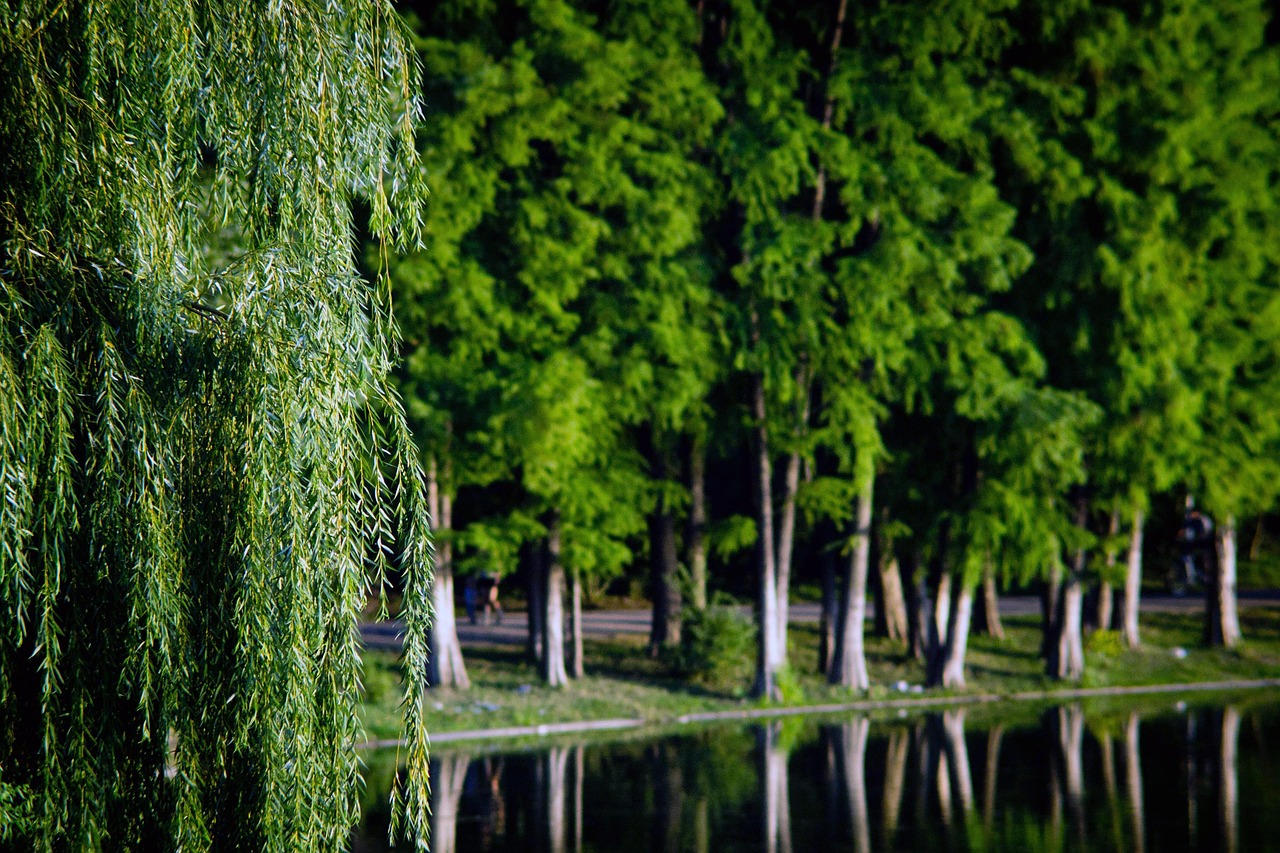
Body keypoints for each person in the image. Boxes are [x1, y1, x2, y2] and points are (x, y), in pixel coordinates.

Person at [1174, 498, 1214, 593]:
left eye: (1192, 513)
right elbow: (1183, 530)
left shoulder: (1203, 520)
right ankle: (1191, 577)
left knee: (1204, 559)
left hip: (1205, 543)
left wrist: (1198, 538)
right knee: (1187, 556)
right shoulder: (1190, 520)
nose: (1191, 515)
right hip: (1193, 543)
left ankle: (1204, 577)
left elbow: (1206, 533)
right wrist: (1179, 537)